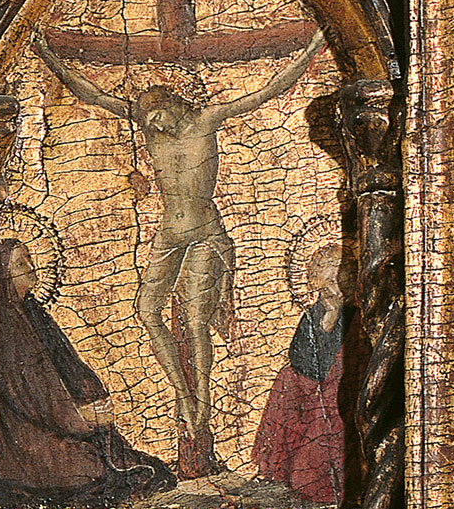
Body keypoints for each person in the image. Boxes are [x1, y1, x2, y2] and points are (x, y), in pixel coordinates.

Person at [35, 30, 325, 473]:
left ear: (174, 105)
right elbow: (92, 93)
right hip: (169, 233)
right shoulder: (149, 128)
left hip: (205, 232)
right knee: (146, 308)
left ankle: (201, 403)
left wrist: (311, 48)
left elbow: (266, 91)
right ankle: (182, 393)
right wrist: (49, 57)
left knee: (194, 319)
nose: (154, 127)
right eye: (147, 121)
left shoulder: (206, 120)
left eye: (158, 116)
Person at [0, 236, 176, 509]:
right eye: (20, 264)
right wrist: (79, 417)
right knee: (90, 471)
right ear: (2, 273)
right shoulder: (3, 325)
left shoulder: (34, 312)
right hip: (27, 437)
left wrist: (93, 399)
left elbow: (70, 366)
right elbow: (29, 395)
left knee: (137, 466)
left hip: (60, 422)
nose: (31, 267)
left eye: (29, 259)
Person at [253, 244, 347, 504]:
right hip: (311, 382)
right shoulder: (316, 312)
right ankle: (280, 473)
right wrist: (328, 318)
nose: (337, 288)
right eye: (330, 281)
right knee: (286, 379)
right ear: (318, 284)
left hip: (337, 386)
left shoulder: (353, 311)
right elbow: (300, 355)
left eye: (341, 279)